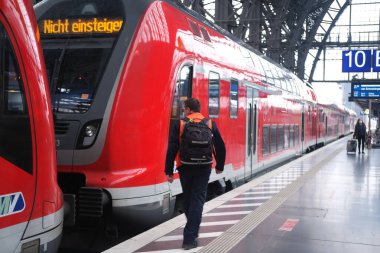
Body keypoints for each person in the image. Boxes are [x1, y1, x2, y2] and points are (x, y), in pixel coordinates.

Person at [165, 98, 226, 250]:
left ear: (188, 109)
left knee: (188, 198)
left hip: (185, 166)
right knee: (198, 200)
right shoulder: (210, 124)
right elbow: (221, 146)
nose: (183, 111)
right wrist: (220, 166)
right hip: (204, 167)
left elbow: (172, 148)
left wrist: (168, 172)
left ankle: (189, 236)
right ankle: (190, 236)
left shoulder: (179, 124)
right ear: (198, 110)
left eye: (184, 108)